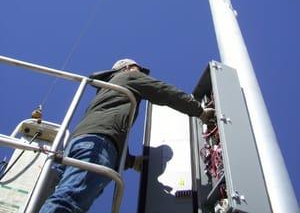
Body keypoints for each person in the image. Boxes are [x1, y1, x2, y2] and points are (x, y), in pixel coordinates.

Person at [40, 58, 214, 213]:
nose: (141, 74)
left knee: (64, 193)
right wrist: (199, 111)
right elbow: (162, 91)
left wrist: (130, 161)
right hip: (98, 143)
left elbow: (114, 124)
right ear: (127, 68)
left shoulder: (106, 90)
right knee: (70, 200)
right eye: (138, 69)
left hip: (80, 142)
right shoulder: (129, 77)